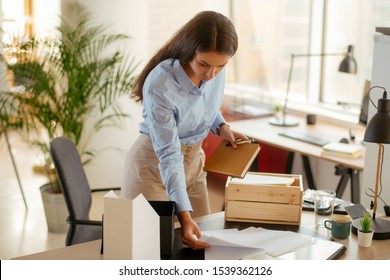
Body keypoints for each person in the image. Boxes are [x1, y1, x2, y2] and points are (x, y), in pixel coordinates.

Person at [121, 10, 248, 250]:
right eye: (204, 64)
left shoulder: (214, 67)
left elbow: (204, 104)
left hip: (193, 167)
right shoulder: (161, 83)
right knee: (152, 250)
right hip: (153, 167)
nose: (211, 74)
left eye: (220, 66)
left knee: (206, 245)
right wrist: (184, 215)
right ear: (189, 50)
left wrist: (221, 126)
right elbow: (169, 155)